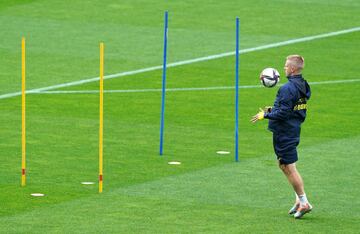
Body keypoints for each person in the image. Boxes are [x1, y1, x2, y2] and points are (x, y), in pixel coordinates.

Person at [251, 55, 312, 219]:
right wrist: (274, 109)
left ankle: (304, 202)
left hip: (285, 131)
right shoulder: (303, 84)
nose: (284, 68)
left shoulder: (287, 88)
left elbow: (284, 113)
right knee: (286, 165)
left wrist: (265, 115)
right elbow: (292, 107)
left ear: (292, 69)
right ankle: (299, 200)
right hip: (293, 128)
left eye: (286, 66)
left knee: (287, 166)